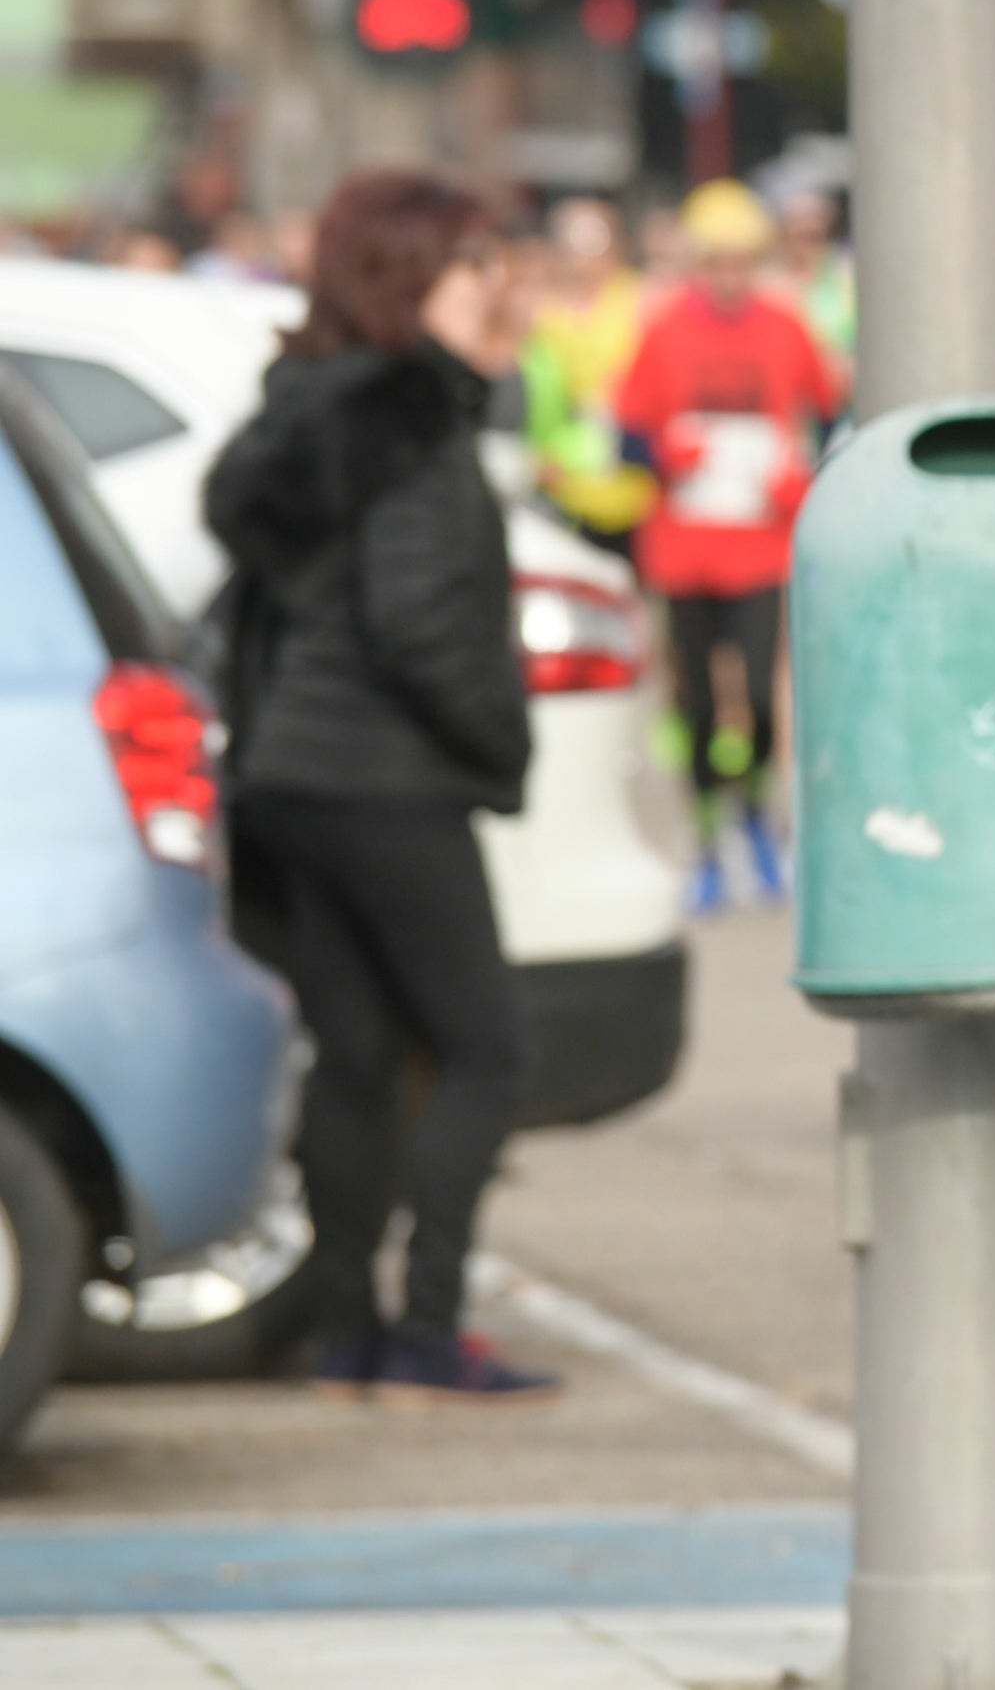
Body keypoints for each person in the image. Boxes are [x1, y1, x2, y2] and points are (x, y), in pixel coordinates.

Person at [203, 171, 555, 1401]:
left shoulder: (309, 403)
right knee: (483, 1050)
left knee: (353, 1053)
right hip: (387, 774)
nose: (495, 291)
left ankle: (348, 1326)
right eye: (473, 269)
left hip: (295, 770)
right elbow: (418, 618)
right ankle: (431, 1325)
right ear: (407, 280)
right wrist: (500, 736)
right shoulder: (408, 417)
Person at [612, 179, 846, 915]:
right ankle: (709, 833)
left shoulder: (784, 326)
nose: (728, 275)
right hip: (682, 551)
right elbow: (626, 431)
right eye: (715, 260)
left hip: (761, 547)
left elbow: (835, 410)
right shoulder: (665, 330)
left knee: (762, 692)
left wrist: (800, 474)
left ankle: (760, 821)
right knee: (699, 703)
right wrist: (663, 457)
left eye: (741, 259)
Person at [522, 198, 658, 554]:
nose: (583, 259)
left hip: (633, 481)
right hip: (559, 483)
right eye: (572, 245)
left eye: (594, 243)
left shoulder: (644, 301)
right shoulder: (538, 315)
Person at [771, 184, 856, 361]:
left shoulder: (847, 275)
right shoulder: (766, 282)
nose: (808, 226)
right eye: (798, 236)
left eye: (814, 237)